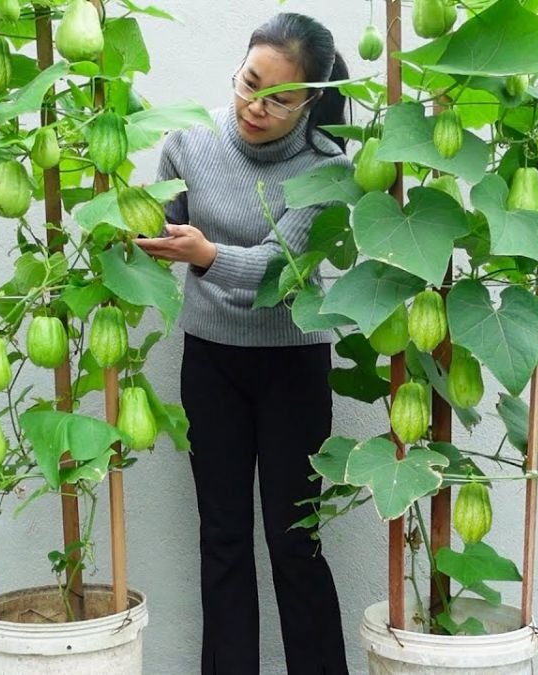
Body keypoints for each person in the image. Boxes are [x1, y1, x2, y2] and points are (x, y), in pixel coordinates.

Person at [135, 13, 351, 675]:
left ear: (311, 100)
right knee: (223, 538)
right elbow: (159, 227)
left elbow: (280, 267)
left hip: (294, 364)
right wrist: (139, 234)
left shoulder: (329, 168)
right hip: (213, 361)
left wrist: (203, 254)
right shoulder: (189, 141)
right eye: (248, 83)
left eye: (278, 98)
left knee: (296, 540)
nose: (254, 106)